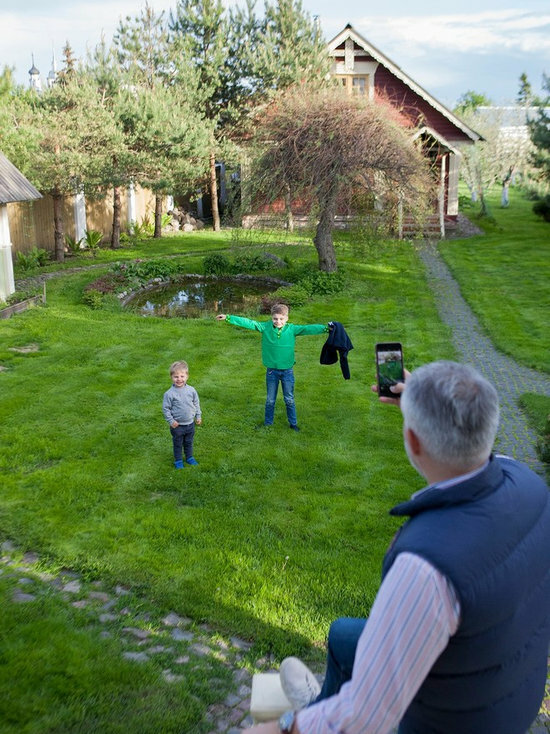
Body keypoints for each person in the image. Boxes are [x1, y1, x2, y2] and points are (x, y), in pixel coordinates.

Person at [245, 361, 550, 734]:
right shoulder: (532, 485)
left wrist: (285, 727)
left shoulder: (427, 567)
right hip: (510, 688)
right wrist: (422, 406)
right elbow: (479, 458)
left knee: (337, 709)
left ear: (413, 440)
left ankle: (312, 712)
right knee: (343, 635)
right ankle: (321, 701)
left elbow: (366, 715)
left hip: (452, 722)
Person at [215, 304, 328, 431]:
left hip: (287, 371)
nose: (278, 322)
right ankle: (268, 423)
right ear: (271, 317)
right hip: (272, 372)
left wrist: (326, 328)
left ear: (287, 318)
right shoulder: (265, 327)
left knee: (289, 399)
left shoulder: (292, 329)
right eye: (275, 319)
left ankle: (293, 423)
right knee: (270, 400)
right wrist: (228, 317)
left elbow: (309, 329)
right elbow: (248, 323)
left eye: (281, 319)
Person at [162, 360, 202, 469]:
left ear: (187, 376)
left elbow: (196, 403)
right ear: (171, 377)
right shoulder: (169, 394)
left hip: (190, 424)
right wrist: (171, 421)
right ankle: (178, 460)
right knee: (178, 444)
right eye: (176, 377)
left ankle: (189, 457)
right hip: (177, 426)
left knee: (189, 442)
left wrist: (198, 416)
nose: (179, 379)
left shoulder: (191, 390)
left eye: (182, 376)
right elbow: (166, 409)